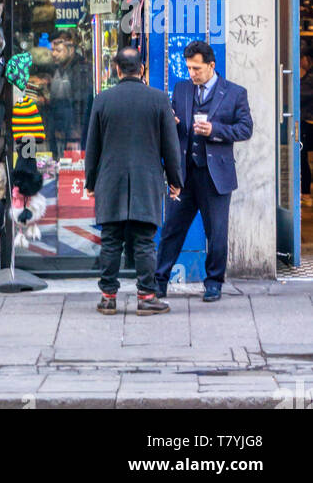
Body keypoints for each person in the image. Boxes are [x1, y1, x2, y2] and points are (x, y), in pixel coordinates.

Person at [84, 46, 183, 315]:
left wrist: (90, 182)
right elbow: (170, 148)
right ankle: (146, 296)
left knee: (111, 239)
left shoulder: (102, 100)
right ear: (142, 70)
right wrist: (176, 180)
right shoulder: (159, 99)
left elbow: (92, 146)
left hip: (110, 180)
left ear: (117, 69)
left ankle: (107, 297)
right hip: (146, 180)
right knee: (144, 241)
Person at [154, 41, 253, 302]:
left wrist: (216, 131)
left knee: (216, 232)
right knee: (172, 229)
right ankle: (159, 281)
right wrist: (172, 123)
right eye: (188, 68)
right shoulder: (182, 89)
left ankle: (214, 283)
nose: (192, 74)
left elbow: (245, 129)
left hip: (216, 176)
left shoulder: (234, 93)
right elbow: (176, 129)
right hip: (185, 175)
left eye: (196, 68)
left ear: (211, 65)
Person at [45, 34, 92, 159]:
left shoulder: (80, 69)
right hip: (59, 127)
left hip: (72, 131)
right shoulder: (58, 68)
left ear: (71, 50)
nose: (54, 54)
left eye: (58, 51)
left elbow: (80, 103)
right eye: (52, 50)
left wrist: (75, 133)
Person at [301, 44, 313, 206]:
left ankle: (306, 193)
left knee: (301, 155)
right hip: (306, 121)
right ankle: (305, 193)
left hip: (309, 122)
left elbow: (300, 93)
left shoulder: (310, 78)